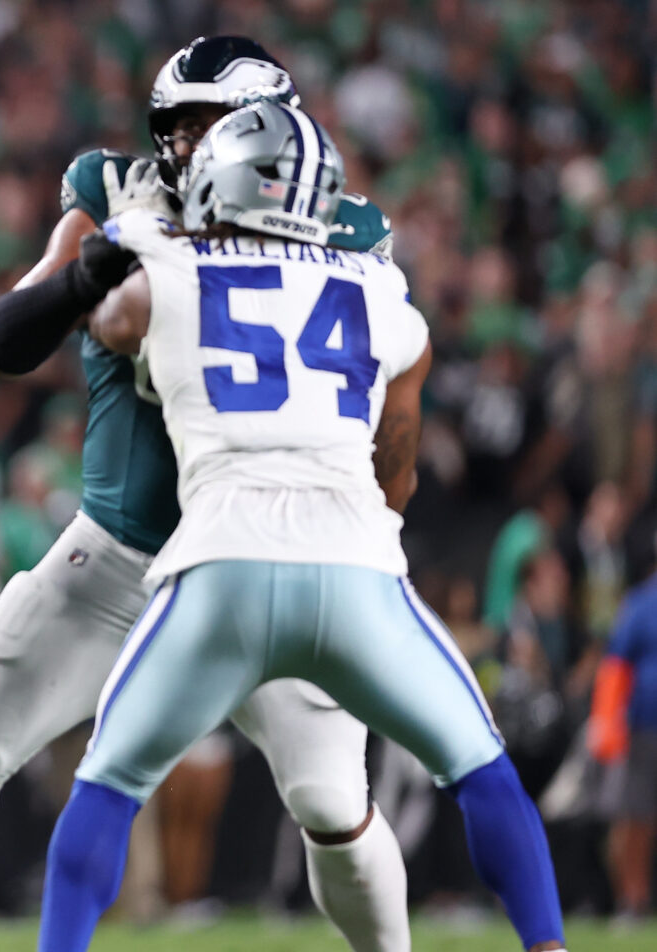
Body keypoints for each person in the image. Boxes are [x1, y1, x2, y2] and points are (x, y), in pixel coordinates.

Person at [0, 36, 406, 952]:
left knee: (332, 801)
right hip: (122, 555)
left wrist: (372, 536)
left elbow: (394, 409)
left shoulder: (348, 231)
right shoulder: (119, 200)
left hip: (267, 555)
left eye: (218, 126)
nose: (196, 148)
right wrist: (90, 271)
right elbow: (2, 345)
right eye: (182, 127)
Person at [36, 99, 565, 952]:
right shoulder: (378, 287)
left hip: (220, 569)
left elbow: (102, 325)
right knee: (483, 770)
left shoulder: (166, 263)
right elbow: (400, 453)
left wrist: (117, 246)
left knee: (107, 785)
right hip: (357, 572)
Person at [590, 554, 657, 919]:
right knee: (636, 819)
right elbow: (615, 665)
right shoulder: (642, 602)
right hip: (645, 727)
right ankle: (632, 901)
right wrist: (607, 726)